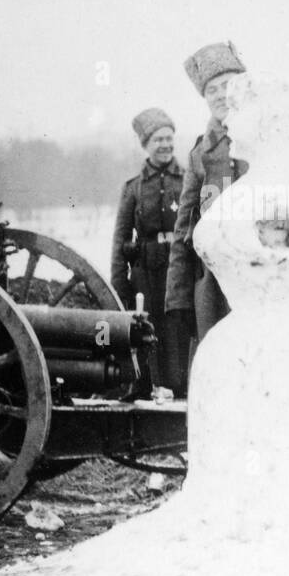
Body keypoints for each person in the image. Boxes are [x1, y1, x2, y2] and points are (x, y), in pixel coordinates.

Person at [164, 42, 289, 347]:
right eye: (212, 90)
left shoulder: (275, 132)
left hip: (268, 274)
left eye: (227, 85)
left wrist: (279, 215)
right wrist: (177, 297)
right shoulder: (199, 153)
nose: (220, 95)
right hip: (214, 282)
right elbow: (184, 229)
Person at [110, 108, 192, 398]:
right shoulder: (133, 188)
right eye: (158, 139)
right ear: (146, 144)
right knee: (144, 329)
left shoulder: (188, 180)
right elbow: (121, 238)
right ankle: (143, 389)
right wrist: (119, 282)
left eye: (170, 138)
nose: (166, 145)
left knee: (178, 330)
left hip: (180, 269)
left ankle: (183, 392)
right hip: (145, 273)